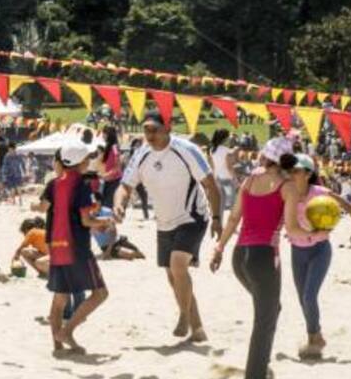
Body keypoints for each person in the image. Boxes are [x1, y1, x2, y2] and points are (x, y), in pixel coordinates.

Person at [211, 139, 312, 379]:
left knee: (270, 310)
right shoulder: (286, 187)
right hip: (263, 258)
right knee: (265, 318)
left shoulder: (250, 179)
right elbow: (293, 229)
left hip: (239, 256)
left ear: (265, 157)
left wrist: (219, 248)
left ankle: (260, 366)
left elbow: (234, 218)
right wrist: (317, 232)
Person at [115, 111, 222, 343]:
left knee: (177, 265)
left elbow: (211, 185)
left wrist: (216, 218)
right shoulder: (141, 154)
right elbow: (124, 186)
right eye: (146, 129)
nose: (149, 134)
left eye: (154, 129)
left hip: (193, 216)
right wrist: (120, 205)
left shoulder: (186, 150)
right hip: (164, 222)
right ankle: (198, 327)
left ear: (168, 128)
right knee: (173, 276)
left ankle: (184, 316)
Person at [286, 154, 351, 359]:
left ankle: (313, 339)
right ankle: (316, 336)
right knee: (302, 299)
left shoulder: (319, 192)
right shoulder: (287, 192)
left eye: (297, 170)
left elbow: (345, 204)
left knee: (309, 296)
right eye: (291, 170)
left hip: (319, 250)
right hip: (296, 250)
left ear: (308, 174)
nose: (292, 174)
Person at [33, 142, 111, 354]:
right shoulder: (81, 186)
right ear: (80, 162)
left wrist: (33, 205)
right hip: (77, 246)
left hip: (56, 245)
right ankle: (67, 331)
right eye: (87, 159)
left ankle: (58, 346)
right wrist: (104, 222)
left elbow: (44, 207)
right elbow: (86, 221)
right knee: (100, 293)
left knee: (60, 297)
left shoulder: (53, 184)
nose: (89, 162)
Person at [211, 129, 239, 210]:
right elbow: (229, 166)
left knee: (222, 204)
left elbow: (213, 166)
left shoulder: (212, 150)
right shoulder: (226, 150)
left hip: (217, 178)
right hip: (227, 178)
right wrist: (235, 179)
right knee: (231, 205)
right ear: (225, 138)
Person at [99, 126, 122, 206]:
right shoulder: (108, 146)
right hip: (108, 180)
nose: (102, 136)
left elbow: (117, 166)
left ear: (108, 134)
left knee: (108, 205)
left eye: (104, 133)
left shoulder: (114, 147)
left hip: (114, 181)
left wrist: (106, 175)